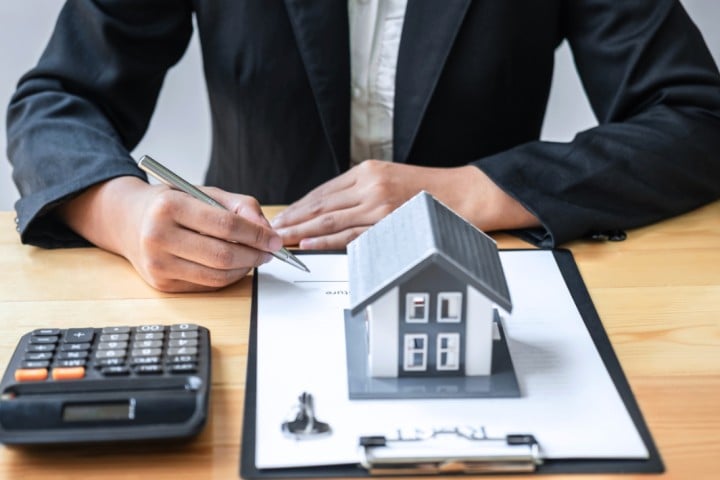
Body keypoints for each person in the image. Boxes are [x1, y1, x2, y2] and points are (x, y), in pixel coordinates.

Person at [7, 0, 720, 292]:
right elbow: (56, 103)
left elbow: (697, 118)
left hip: (487, 280)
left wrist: (468, 191)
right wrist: (126, 214)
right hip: (246, 282)